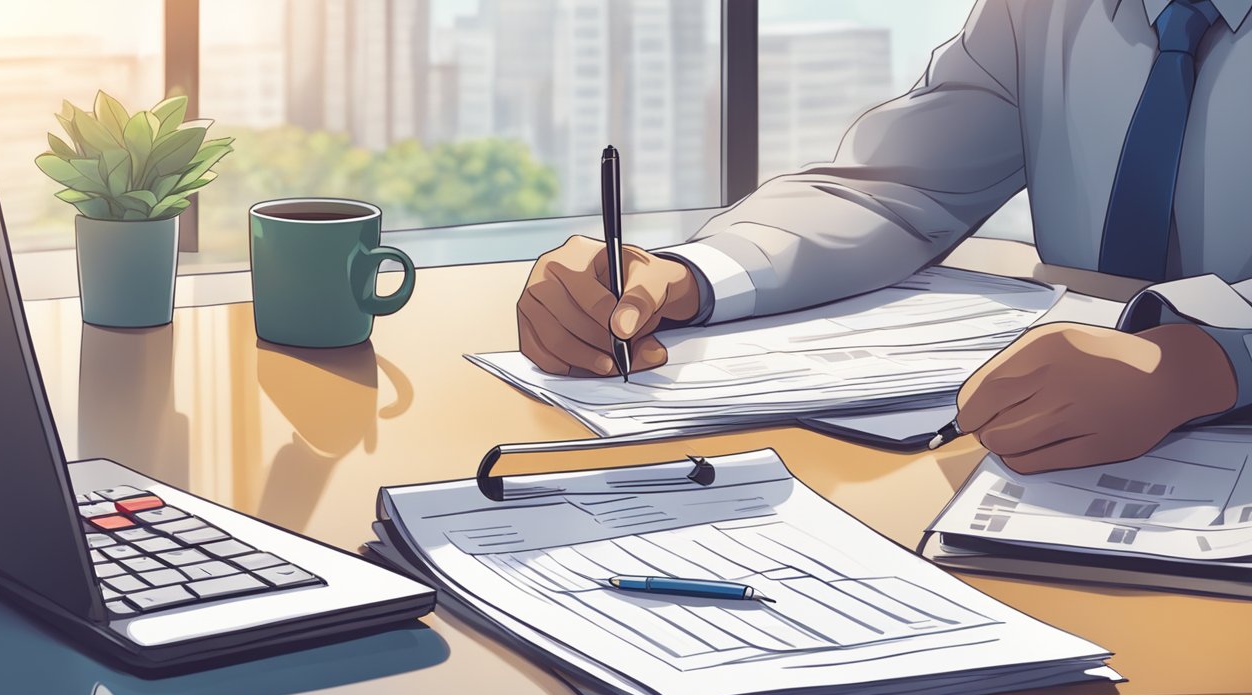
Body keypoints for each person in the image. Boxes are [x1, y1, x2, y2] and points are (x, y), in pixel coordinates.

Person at [517, 0, 1252, 474]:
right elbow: (895, 185)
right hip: (1043, 451)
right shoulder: (1041, 12)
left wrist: (1201, 362)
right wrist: (689, 277)